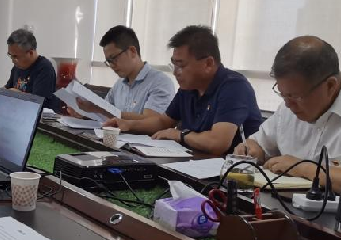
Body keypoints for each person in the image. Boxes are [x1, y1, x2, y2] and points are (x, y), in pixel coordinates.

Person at [235, 36, 341, 192]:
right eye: (283, 94)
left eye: (295, 96)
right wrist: (251, 149)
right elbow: (258, 144)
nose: (287, 104)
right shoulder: (290, 105)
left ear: (330, 85)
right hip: (285, 207)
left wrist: (302, 167)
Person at [104, 26, 263, 155]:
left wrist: (180, 135)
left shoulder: (234, 87)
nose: (175, 72)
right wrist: (128, 124)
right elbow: (163, 122)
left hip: (232, 173)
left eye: (181, 65)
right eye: (174, 65)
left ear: (208, 64)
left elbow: (217, 143)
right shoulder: (188, 88)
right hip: (192, 162)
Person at [67, 25, 174, 120]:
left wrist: (100, 109)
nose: (111, 65)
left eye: (113, 58)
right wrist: (84, 113)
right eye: (108, 61)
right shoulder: (119, 84)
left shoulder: (160, 82)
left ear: (132, 51)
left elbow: (151, 121)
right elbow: (105, 116)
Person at [0, 27, 61, 110]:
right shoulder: (17, 66)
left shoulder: (45, 68)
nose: (12, 60)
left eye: (15, 56)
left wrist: (18, 95)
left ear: (30, 53)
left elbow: (39, 101)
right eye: (10, 55)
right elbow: (8, 88)